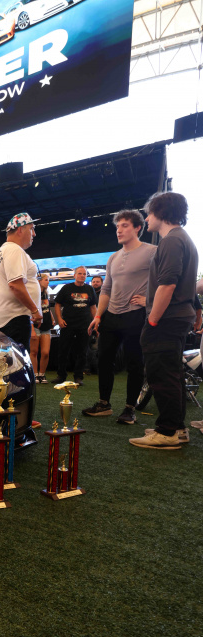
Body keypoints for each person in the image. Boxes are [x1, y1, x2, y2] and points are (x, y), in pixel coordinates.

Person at [129, 191, 198, 450]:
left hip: (166, 319)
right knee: (173, 373)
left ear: (160, 212)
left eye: (149, 213)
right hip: (177, 318)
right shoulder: (183, 239)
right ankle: (176, 428)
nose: (147, 218)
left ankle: (167, 432)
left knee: (162, 375)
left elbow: (167, 285)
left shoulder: (171, 240)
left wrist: (153, 321)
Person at [82, 210, 156, 424]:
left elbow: (165, 280)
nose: (119, 230)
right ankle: (103, 404)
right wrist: (98, 316)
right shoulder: (113, 257)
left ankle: (130, 409)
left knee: (135, 363)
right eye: (117, 226)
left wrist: (149, 300)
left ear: (137, 228)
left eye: (124, 225)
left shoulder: (152, 251)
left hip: (136, 315)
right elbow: (106, 289)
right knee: (104, 360)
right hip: (111, 316)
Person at [0, 213, 42, 353]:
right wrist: (35, 311)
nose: (34, 233)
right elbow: (15, 285)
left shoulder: (3, 250)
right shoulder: (14, 249)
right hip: (14, 319)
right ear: (20, 230)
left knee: (5, 363)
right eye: (31, 228)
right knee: (17, 363)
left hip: (6, 319)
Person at [51, 266, 97, 386]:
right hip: (68, 324)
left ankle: (78, 377)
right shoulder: (66, 288)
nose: (82, 276)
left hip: (85, 325)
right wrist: (59, 319)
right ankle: (61, 375)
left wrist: (95, 322)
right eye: (80, 273)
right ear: (75, 275)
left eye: (84, 274)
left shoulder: (90, 289)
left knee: (82, 352)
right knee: (63, 351)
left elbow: (93, 307)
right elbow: (57, 304)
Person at [30, 273, 53, 382]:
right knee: (34, 351)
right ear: (39, 281)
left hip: (46, 326)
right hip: (35, 326)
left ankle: (42, 374)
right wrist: (32, 329)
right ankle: (35, 374)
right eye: (46, 280)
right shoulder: (34, 294)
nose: (48, 282)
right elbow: (28, 311)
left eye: (48, 280)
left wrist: (52, 318)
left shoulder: (46, 293)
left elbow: (46, 308)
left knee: (45, 352)